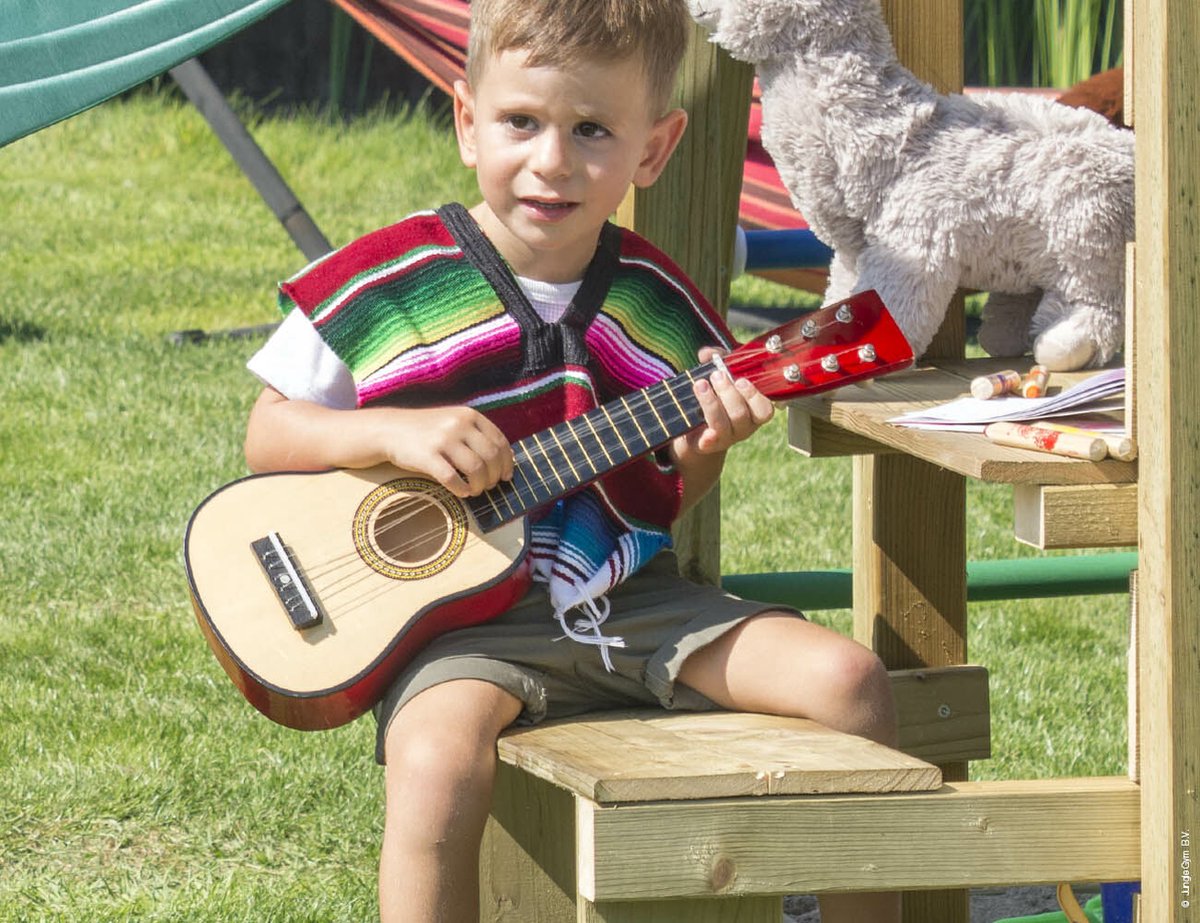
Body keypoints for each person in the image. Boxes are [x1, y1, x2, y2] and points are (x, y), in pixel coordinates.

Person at [243, 1, 899, 919]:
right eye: (522, 122)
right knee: (434, 758)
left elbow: (667, 494)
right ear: (469, 121)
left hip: (632, 604)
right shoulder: (388, 281)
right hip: (461, 627)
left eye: (593, 130)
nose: (553, 161)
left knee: (853, 683)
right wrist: (392, 432)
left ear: (652, 149)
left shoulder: (656, 302)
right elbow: (269, 432)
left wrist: (704, 448)